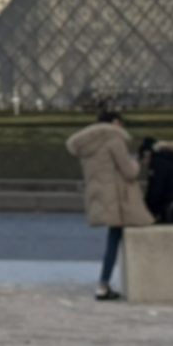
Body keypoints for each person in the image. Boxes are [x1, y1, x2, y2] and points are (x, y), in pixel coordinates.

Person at [67, 105, 151, 301]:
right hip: (118, 197)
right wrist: (137, 162)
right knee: (119, 237)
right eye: (121, 123)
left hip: (101, 196)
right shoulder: (114, 140)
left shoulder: (88, 144)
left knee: (113, 238)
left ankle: (103, 284)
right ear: (114, 123)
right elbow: (129, 171)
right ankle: (106, 284)